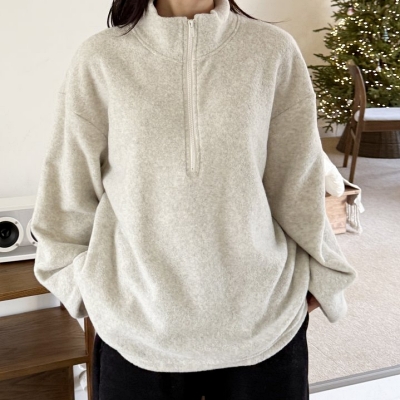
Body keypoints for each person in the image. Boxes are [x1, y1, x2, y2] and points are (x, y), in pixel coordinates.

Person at [31, 0, 358, 398]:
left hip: (264, 332)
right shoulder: (100, 58)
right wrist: (86, 290)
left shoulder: (272, 50)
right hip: (136, 335)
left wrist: (321, 277)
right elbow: (66, 194)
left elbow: (297, 184)